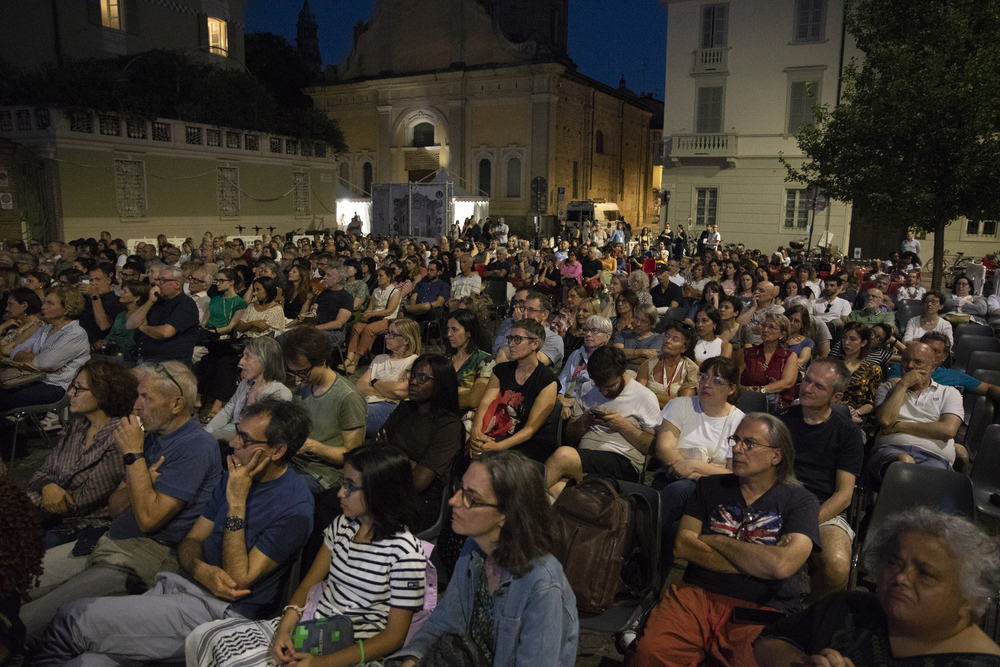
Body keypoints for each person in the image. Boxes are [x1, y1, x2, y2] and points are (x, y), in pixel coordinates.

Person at [30, 398, 315, 667]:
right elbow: (191, 540)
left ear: (277, 451)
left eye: (246, 439)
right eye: (237, 432)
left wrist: (237, 503)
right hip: (184, 585)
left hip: (223, 614)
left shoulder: (295, 509)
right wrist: (199, 568)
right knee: (93, 661)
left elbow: (237, 578)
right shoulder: (237, 475)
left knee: (73, 618)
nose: (232, 443)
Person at [20, 362, 221, 647]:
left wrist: (134, 455)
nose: (136, 405)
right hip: (106, 539)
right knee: (11, 580)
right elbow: (115, 507)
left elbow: (149, 520)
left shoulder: (196, 446)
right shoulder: (152, 437)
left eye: (146, 397)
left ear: (177, 404)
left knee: (28, 621)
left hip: (145, 554)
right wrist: (142, 478)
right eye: (137, 395)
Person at [189, 444, 426, 667]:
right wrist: (284, 630)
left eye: (350, 486)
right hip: (316, 627)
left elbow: (393, 638)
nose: (340, 493)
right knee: (208, 637)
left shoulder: (405, 553)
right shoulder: (343, 525)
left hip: (353, 649)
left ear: (380, 492)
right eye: (343, 483)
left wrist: (323, 663)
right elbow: (307, 586)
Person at [629, 413, 821, 666]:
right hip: (698, 594)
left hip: (763, 606)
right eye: (736, 440)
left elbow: (782, 565)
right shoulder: (710, 487)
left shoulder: (801, 501)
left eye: (749, 443)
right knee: (649, 654)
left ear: (776, 456)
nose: (737, 449)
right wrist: (758, 562)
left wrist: (714, 540)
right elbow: (683, 545)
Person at [392, 449, 578, 667]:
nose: (453, 501)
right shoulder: (474, 549)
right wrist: (412, 659)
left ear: (506, 513)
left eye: (471, 498)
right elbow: (443, 622)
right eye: (459, 488)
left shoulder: (543, 584)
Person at [754, 508, 1000, 667]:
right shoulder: (848, 608)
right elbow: (768, 641)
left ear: (969, 598)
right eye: (894, 562)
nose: (901, 578)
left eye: (925, 573)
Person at [24, 358, 138, 549]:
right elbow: (43, 471)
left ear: (103, 393)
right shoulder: (78, 425)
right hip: (47, 515)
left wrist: (34, 497)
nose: (70, 393)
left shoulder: (119, 437)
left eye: (78, 388)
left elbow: (83, 501)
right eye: (72, 387)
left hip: (82, 526)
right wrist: (47, 486)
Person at [776, 359, 864, 605]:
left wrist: (803, 522)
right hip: (777, 501)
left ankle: (811, 613)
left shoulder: (847, 433)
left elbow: (844, 495)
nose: (807, 388)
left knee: (837, 565)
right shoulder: (780, 420)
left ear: (836, 397)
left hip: (823, 509)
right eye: (807, 380)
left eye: (819, 386)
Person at [652, 357, 745, 574]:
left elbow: (733, 473)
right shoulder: (680, 405)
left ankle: (643, 568)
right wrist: (687, 471)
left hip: (712, 490)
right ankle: (651, 578)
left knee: (679, 491)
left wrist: (693, 466)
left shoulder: (739, 421)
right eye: (703, 377)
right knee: (674, 528)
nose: (706, 384)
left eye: (716, 381)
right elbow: (664, 448)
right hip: (670, 477)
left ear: (731, 389)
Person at [546, 345, 661, 495]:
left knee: (563, 456)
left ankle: (521, 502)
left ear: (623, 372)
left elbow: (654, 448)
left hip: (623, 462)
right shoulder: (587, 389)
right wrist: (584, 421)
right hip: (586, 457)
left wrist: (623, 426)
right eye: (599, 387)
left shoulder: (644, 396)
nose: (604, 392)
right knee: (557, 489)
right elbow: (570, 437)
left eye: (611, 386)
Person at [379, 354, 464, 529]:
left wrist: (389, 451)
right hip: (387, 482)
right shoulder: (405, 408)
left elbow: (419, 481)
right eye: (412, 375)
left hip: (419, 501)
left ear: (441, 383)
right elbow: (377, 449)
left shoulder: (448, 425)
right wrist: (406, 460)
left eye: (422, 378)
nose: (413, 382)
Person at [282, 326, 367, 494]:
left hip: (326, 473)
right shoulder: (304, 388)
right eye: (293, 373)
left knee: (282, 490)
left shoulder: (347, 397)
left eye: (302, 372)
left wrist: (312, 446)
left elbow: (351, 455)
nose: (297, 379)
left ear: (321, 361)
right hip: (296, 462)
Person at [867, 342, 963, 487]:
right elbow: (885, 420)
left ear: (932, 367)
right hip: (891, 451)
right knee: (904, 462)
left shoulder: (949, 393)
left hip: (934, 457)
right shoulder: (888, 388)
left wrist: (898, 426)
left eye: (918, 361)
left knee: (930, 479)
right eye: (906, 360)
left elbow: (948, 430)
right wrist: (903, 385)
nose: (910, 366)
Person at [471, 318, 559, 463]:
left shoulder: (547, 380)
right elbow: (486, 401)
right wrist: (476, 431)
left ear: (535, 343)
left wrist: (497, 447)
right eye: (510, 338)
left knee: (493, 461)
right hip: (500, 431)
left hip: (529, 442)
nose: (511, 344)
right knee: (470, 439)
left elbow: (530, 429)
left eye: (517, 339)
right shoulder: (502, 370)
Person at [1, 285, 90, 413]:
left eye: (50, 303)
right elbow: (14, 352)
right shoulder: (45, 329)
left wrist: (40, 359)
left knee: (5, 399)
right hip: (32, 379)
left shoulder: (76, 334)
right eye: (45, 302)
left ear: (66, 309)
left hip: (56, 387)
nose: (43, 307)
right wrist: (42, 357)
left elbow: (44, 363)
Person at [205, 337, 294, 442]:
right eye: (243, 356)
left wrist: (210, 438)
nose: (241, 362)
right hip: (231, 434)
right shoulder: (245, 384)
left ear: (264, 359)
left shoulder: (280, 393)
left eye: (247, 356)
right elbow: (227, 412)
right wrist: (206, 432)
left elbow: (262, 431)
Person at [357, 318, 420, 436]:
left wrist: (374, 382)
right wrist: (387, 389)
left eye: (392, 334)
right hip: (368, 402)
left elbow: (399, 391)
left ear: (406, 340)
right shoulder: (379, 359)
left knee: (352, 415)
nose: (386, 337)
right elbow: (360, 386)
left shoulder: (414, 361)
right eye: (387, 332)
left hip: (393, 408)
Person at [127, 266, 201, 365]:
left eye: (163, 280)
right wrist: (150, 301)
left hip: (167, 363)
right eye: (158, 280)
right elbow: (130, 324)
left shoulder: (186, 304)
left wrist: (142, 327)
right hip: (140, 358)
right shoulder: (156, 301)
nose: (157, 283)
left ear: (177, 284)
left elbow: (165, 332)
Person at [734, 313, 799, 411]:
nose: (765, 330)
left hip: (778, 407)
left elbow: (787, 383)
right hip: (749, 403)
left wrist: (760, 390)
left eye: (771, 327)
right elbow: (736, 381)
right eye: (764, 325)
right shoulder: (748, 353)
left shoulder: (789, 356)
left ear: (782, 334)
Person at [558, 314, 613, 418]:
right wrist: (561, 402)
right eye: (587, 330)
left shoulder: (610, 359)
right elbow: (562, 380)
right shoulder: (576, 354)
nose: (588, 334)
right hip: (567, 399)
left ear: (607, 337)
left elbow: (598, 390)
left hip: (589, 403)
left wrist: (573, 400)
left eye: (594, 331)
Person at [637, 320, 699, 409]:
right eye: (667, 336)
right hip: (647, 412)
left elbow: (683, 404)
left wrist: (650, 395)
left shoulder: (691, 369)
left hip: (676, 415)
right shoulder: (647, 365)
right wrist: (672, 398)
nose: (668, 341)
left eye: (675, 339)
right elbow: (638, 396)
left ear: (684, 348)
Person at [446, 308, 496, 416]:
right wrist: (464, 390)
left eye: (454, 329)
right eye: (448, 329)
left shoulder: (485, 360)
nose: (449, 334)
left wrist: (441, 398)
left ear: (469, 332)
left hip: (465, 417)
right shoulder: (446, 360)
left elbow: (473, 400)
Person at [831, 322, 883, 424]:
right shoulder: (832, 364)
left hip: (857, 416)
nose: (846, 342)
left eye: (853, 339)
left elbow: (872, 403)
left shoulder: (873, 369)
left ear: (863, 343)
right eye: (844, 338)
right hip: (831, 409)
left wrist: (857, 412)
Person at [77, 265, 125, 344]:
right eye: (91, 280)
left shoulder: (117, 301)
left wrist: (94, 295)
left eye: (98, 279)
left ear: (108, 280)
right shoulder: (86, 299)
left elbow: (104, 326)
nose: (93, 283)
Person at [615, 302, 663, 375]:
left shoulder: (658, 338)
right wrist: (642, 352)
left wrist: (626, 357)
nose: (638, 324)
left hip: (644, 376)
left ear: (652, 324)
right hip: (621, 374)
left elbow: (650, 362)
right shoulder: (621, 334)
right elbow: (616, 355)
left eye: (643, 321)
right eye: (637, 318)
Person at [736, 280, 784, 347]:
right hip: (743, 344)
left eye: (761, 291)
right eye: (756, 289)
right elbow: (738, 327)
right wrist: (753, 307)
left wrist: (746, 329)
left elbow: (768, 330)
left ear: (771, 296)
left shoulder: (777, 310)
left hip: (764, 345)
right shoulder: (744, 306)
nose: (756, 292)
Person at [0, 287, 43, 358]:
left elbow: (6, 350)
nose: (7, 308)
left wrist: (2, 327)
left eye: (10, 304)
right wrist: (4, 326)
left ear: (24, 305)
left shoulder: (36, 327)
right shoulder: (15, 324)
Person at [402, 259, 449, 323]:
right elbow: (413, 297)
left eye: (432, 270)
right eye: (428, 269)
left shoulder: (444, 285)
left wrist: (424, 307)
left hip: (432, 311)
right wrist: (414, 308)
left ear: (439, 272)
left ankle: (404, 308)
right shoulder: (421, 283)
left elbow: (439, 303)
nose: (428, 272)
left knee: (426, 305)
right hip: (416, 311)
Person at [783, 304, 815, 371]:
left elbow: (801, 361)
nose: (791, 323)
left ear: (803, 324)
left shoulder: (807, 342)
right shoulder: (778, 337)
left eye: (796, 321)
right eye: (789, 319)